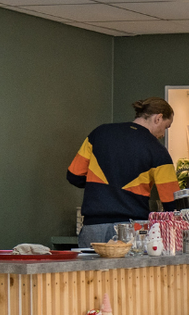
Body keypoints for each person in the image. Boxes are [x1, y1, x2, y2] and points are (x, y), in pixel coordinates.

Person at [68, 97, 179, 247]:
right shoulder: (158, 151)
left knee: (91, 271)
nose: (163, 134)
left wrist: (99, 188)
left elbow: (74, 176)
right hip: (132, 229)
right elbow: (171, 202)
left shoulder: (99, 133)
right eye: (166, 127)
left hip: (93, 227)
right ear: (158, 118)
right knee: (128, 272)